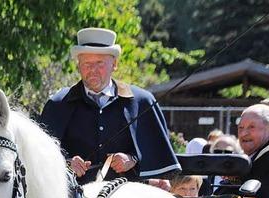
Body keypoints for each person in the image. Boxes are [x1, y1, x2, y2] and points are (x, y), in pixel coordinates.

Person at [39, 27, 179, 187]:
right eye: (86, 64)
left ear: (114, 64)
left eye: (99, 63)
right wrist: (66, 162)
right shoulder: (58, 104)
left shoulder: (142, 101)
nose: (92, 70)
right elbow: (39, 155)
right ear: (78, 66)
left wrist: (132, 159)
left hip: (129, 196)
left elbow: (158, 156)